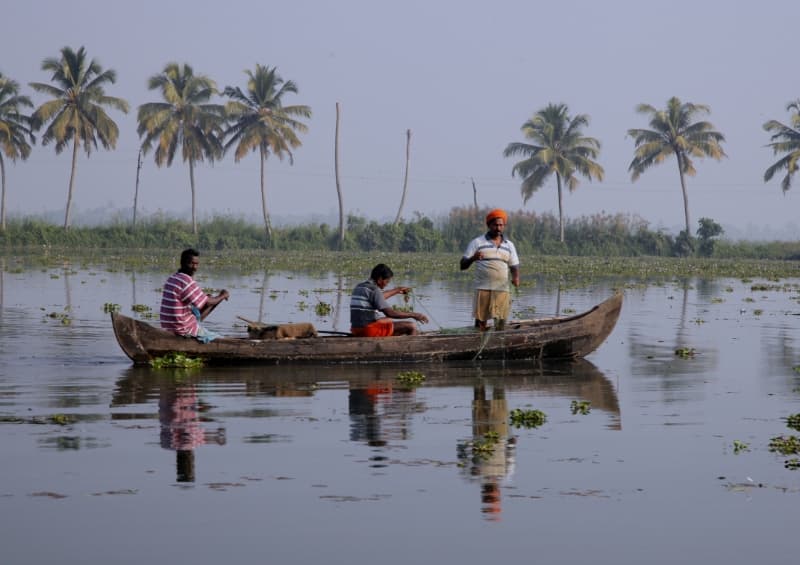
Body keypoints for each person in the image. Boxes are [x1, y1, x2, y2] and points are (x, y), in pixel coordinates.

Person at [460, 208, 520, 331]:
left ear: (504, 226)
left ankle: (498, 343)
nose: (498, 228)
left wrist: (516, 277)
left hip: (502, 289)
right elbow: (462, 265)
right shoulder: (477, 242)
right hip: (483, 288)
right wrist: (473, 258)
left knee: (500, 323)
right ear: (489, 225)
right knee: (481, 323)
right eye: (495, 225)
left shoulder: (509, 245)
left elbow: (514, 265)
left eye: (501, 225)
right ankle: (478, 344)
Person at [160, 248, 230, 342]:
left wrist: (211, 299)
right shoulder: (186, 280)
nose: (194, 267)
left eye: (196, 264)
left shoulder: (173, 278)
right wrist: (223, 295)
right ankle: (196, 332)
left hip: (168, 327)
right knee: (219, 338)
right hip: (182, 329)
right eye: (191, 263)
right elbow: (208, 302)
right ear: (183, 263)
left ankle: (196, 326)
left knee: (202, 304)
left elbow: (202, 301)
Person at [350, 263, 428, 337]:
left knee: (387, 320)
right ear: (380, 279)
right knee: (411, 326)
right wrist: (414, 315)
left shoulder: (360, 287)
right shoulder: (374, 290)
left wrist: (397, 290)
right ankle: (409, 348)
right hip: (368, 330)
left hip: (355, 329)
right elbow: (390, 313)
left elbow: (379, 297)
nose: (387, 284)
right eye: (387, 281)